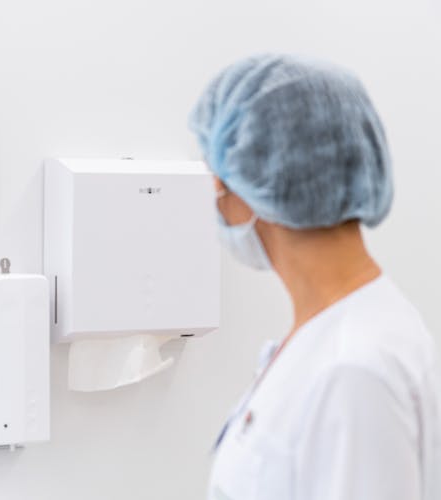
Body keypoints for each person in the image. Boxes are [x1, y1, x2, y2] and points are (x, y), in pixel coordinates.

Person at [189, 54, 441, 499]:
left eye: (217, 177)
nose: (214, 197)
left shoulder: (354, 368)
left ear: (255, 184)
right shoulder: (337, 332)